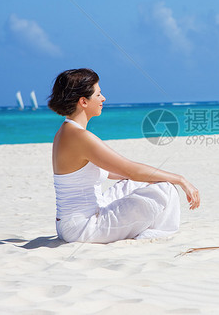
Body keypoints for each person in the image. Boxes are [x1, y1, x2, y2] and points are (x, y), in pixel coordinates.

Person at [48, 68, 200, 243]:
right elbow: (130, 169)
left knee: (147, 182)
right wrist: (180, 179)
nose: (103, 98)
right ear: (83, 101)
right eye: (98, 94)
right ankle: (153, 233)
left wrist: (150, 179)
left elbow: (117, 173)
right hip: (82, 228)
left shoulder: (67, 131)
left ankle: (147, 227)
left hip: (73, 223)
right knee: (166, 189)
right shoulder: (80, 137)